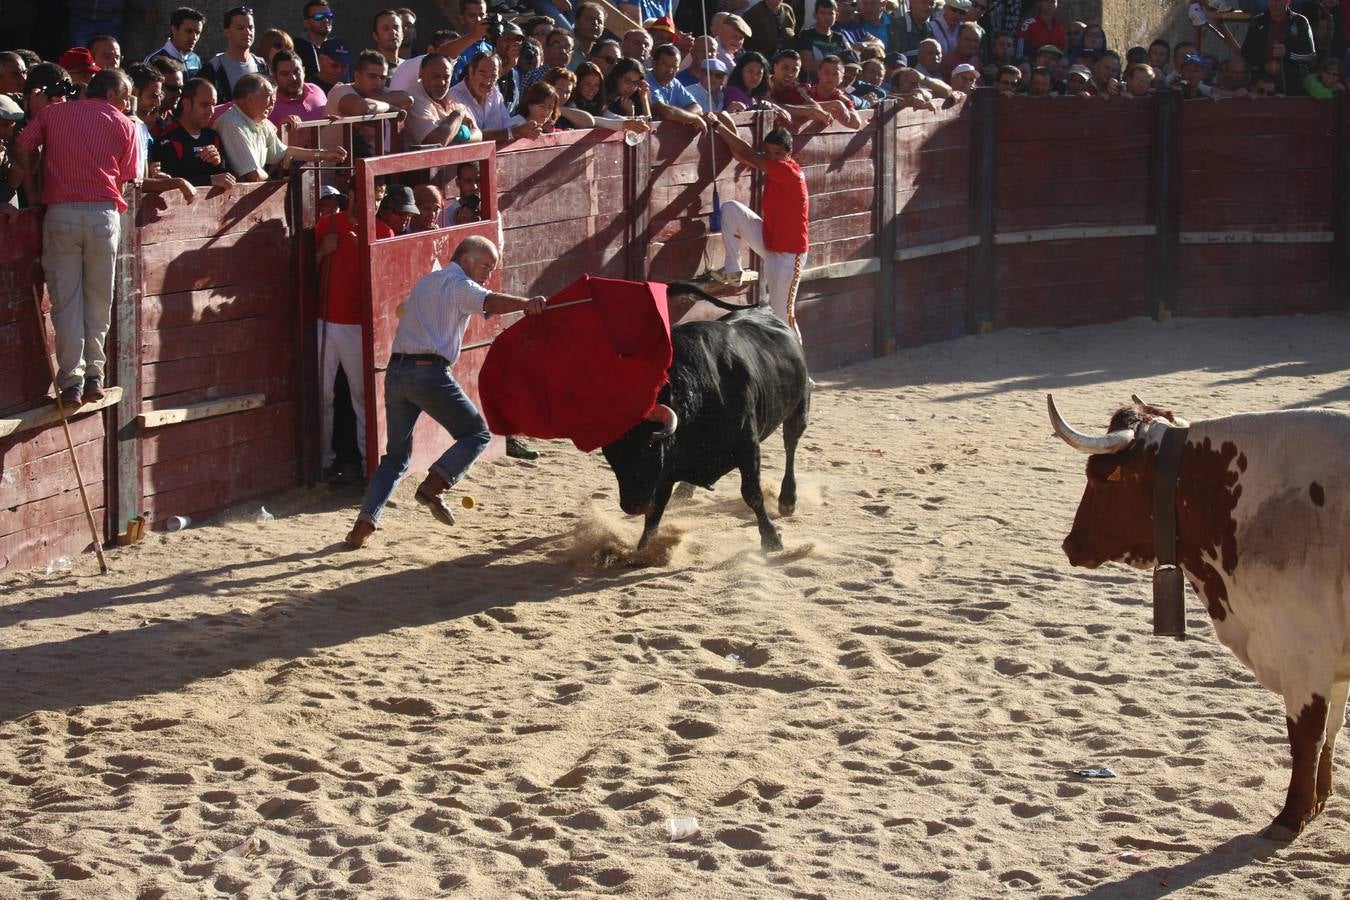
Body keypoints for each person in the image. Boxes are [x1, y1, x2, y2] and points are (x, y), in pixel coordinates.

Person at [344, 235, 548, 549]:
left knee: (396, 457)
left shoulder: (427, 282)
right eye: (485, 265)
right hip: (429, 373)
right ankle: (434, 485)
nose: (488, 273)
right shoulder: (459, 285)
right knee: (477, 434)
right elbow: (490, 300)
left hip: (396, 373)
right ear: (465, 259)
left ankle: (364, 523)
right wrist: (526, 305)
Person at [14, 68, 137, 407]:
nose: (127, 103)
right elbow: (126, 178)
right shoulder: (126, 125)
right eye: (125, 96)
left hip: (62, 213)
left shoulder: (54, 113)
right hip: (104, 215)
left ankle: (72, 382)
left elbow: (22, 146)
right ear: (111, 95)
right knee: (98, 300)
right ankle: (95, 375)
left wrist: (32, 191)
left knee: (66, 302)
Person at [705, 120, 807, 343]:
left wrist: (718, 125)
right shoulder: (777, 166)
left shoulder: (787, 171)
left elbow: (748, 155)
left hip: (789, 256)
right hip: (770, 241)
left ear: (789, 154)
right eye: (768, 153)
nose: (771, 158)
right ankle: (733, 269)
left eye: (777, 153)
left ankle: (802, 376)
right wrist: (726, 126)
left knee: (783, 315)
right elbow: (743, 155)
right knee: (731, 209)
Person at [314, 184, 368, 482]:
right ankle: (325, 461)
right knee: (324, 396)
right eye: (359, 195)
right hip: (326, 321)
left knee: (361, 396)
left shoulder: (381, 232)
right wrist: (321, 251)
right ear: (353, 197)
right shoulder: (327, 225)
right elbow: (304, 268)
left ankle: (366, 462)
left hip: (358, 325)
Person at [218, 73, 346, 180]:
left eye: (274, 98)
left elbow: (284, 152)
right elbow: (254, 175)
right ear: (250, 98)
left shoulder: (262, 122)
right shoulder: (232, 123)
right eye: (268, 97)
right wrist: (274, 184)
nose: (273, 102)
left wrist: (324, 154)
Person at [152, 78, 235, 188]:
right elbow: (170, 183)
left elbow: (229, 177)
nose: (211, 111)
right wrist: (209, 180)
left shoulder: (213, 136)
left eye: (213, 104)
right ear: (186, 104)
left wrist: (219, 163)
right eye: (204, 105)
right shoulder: (169, 139)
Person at [404, 53, 481, 146]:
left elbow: (478, 134)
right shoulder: (414, 98)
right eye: (435, 76)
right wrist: (458, 115)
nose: (441, 82)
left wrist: (455, 139)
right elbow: (438, 142)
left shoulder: (452, 95)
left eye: (446, 77)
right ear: (421, 73)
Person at [1242, 0, 1317, 96]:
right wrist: (1264, 66)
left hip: (1294, 88)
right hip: (1262, 88)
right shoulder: (1257, 22)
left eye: (1278, 1)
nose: (1274, 5)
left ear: (1288, 2)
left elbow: (1310, 55)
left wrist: (1288, 54)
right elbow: (1246, 55)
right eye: (1272, 1)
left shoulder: (1300, 22)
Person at [450, 51, 521, 141]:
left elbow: (509, 125)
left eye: (493, 76)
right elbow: (469, 137)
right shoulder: (454, 97)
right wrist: (514, 132)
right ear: (471, 71)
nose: (488, 81)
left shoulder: (496, 95)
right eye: (483, 74)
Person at [206, 6, 270, 99]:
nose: (247, 32)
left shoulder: (262, 65)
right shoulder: (214, 68)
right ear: (227, 32)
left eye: (251, 27)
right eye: (240, 28)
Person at [647, 45, 707, 129]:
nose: (670, 71)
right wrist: (695, 118)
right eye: (665, 65)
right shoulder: (646, 80)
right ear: (654, 64)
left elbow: (697, 108)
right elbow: (666, 112)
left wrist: (681, 117)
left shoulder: (674, 82)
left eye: (674, 67)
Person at [145, 6, 205, 78]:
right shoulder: (153, 59)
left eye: (197, 33)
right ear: (174, 30)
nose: (194, 37)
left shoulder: (195, 59)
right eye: (188, 31)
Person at [795, 0, 850, 77]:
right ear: (815, 15)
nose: (827, 17)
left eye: (830, 13)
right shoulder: (806, 35)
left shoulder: (840, 38)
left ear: (836, 16)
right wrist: (838, 64)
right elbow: (808, 66)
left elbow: (849, 63)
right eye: (822, 13)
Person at [294, 1, 333, 81]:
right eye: (319, 17)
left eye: (329, 16)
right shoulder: (296, 48)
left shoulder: (337, 49)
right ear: (307, 23)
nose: (326, 20)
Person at [372, 9, 404, 78]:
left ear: (402, 35)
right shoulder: (370, 69)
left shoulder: (411, 67)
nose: (393, 32)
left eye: (396, 27)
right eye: (386, 28)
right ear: (375, 36)